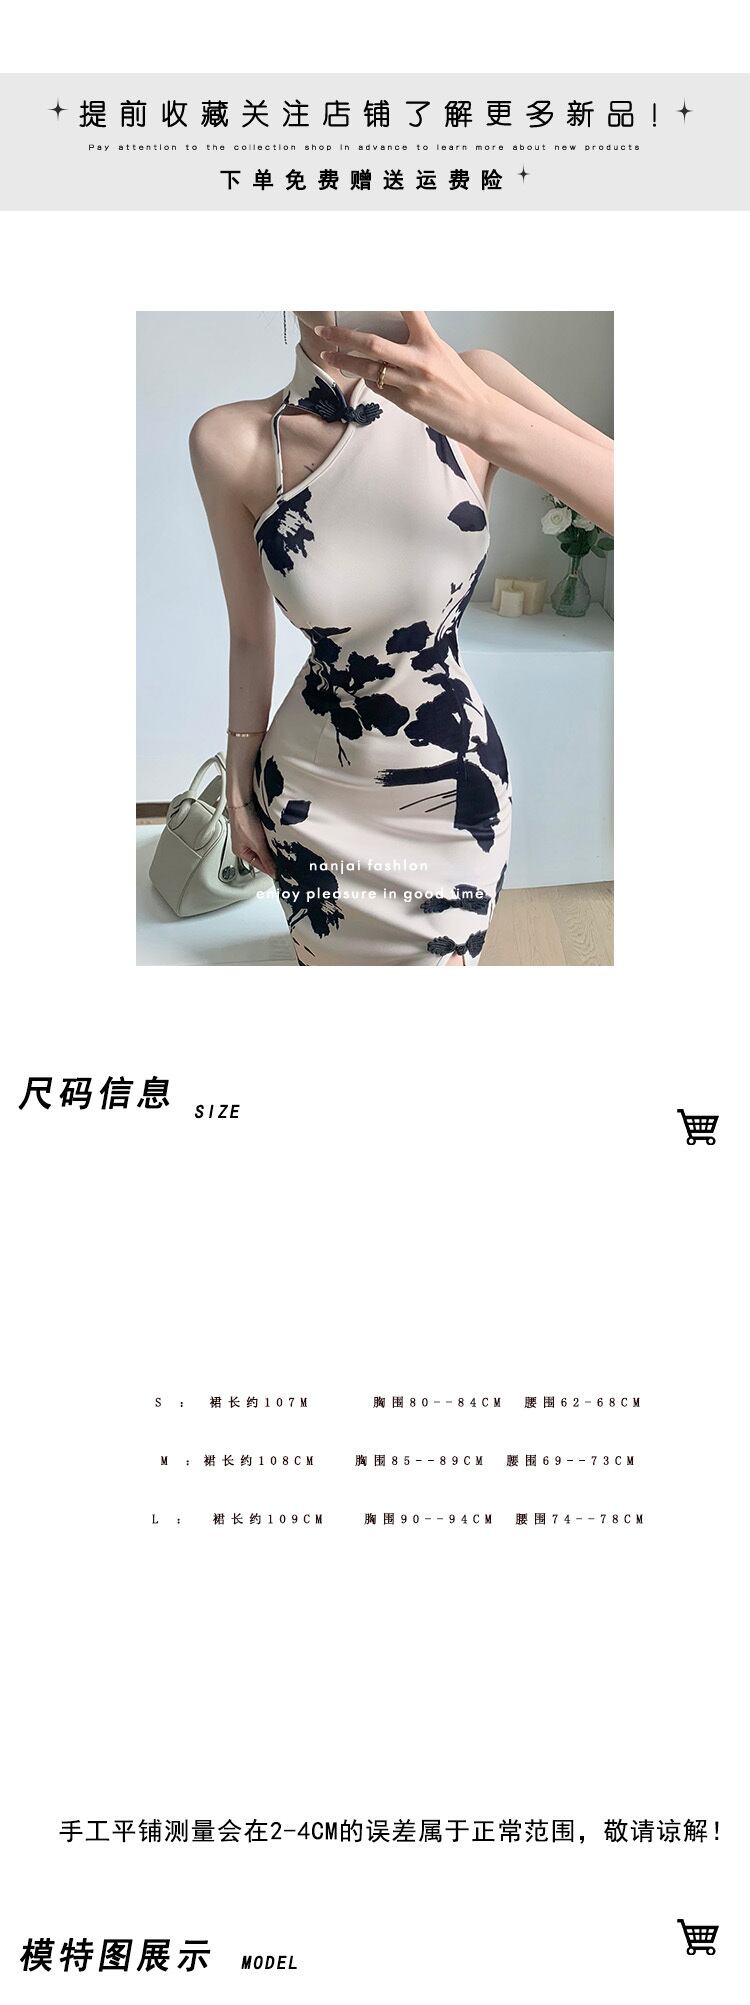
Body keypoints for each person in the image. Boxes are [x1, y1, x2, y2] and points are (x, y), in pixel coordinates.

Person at [189, 311, 613, 966]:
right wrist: (238, 789)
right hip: (309, 796)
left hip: (451, 799)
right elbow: (249, 637)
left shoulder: (479, 381)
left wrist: (481, 417)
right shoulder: (231, 441)